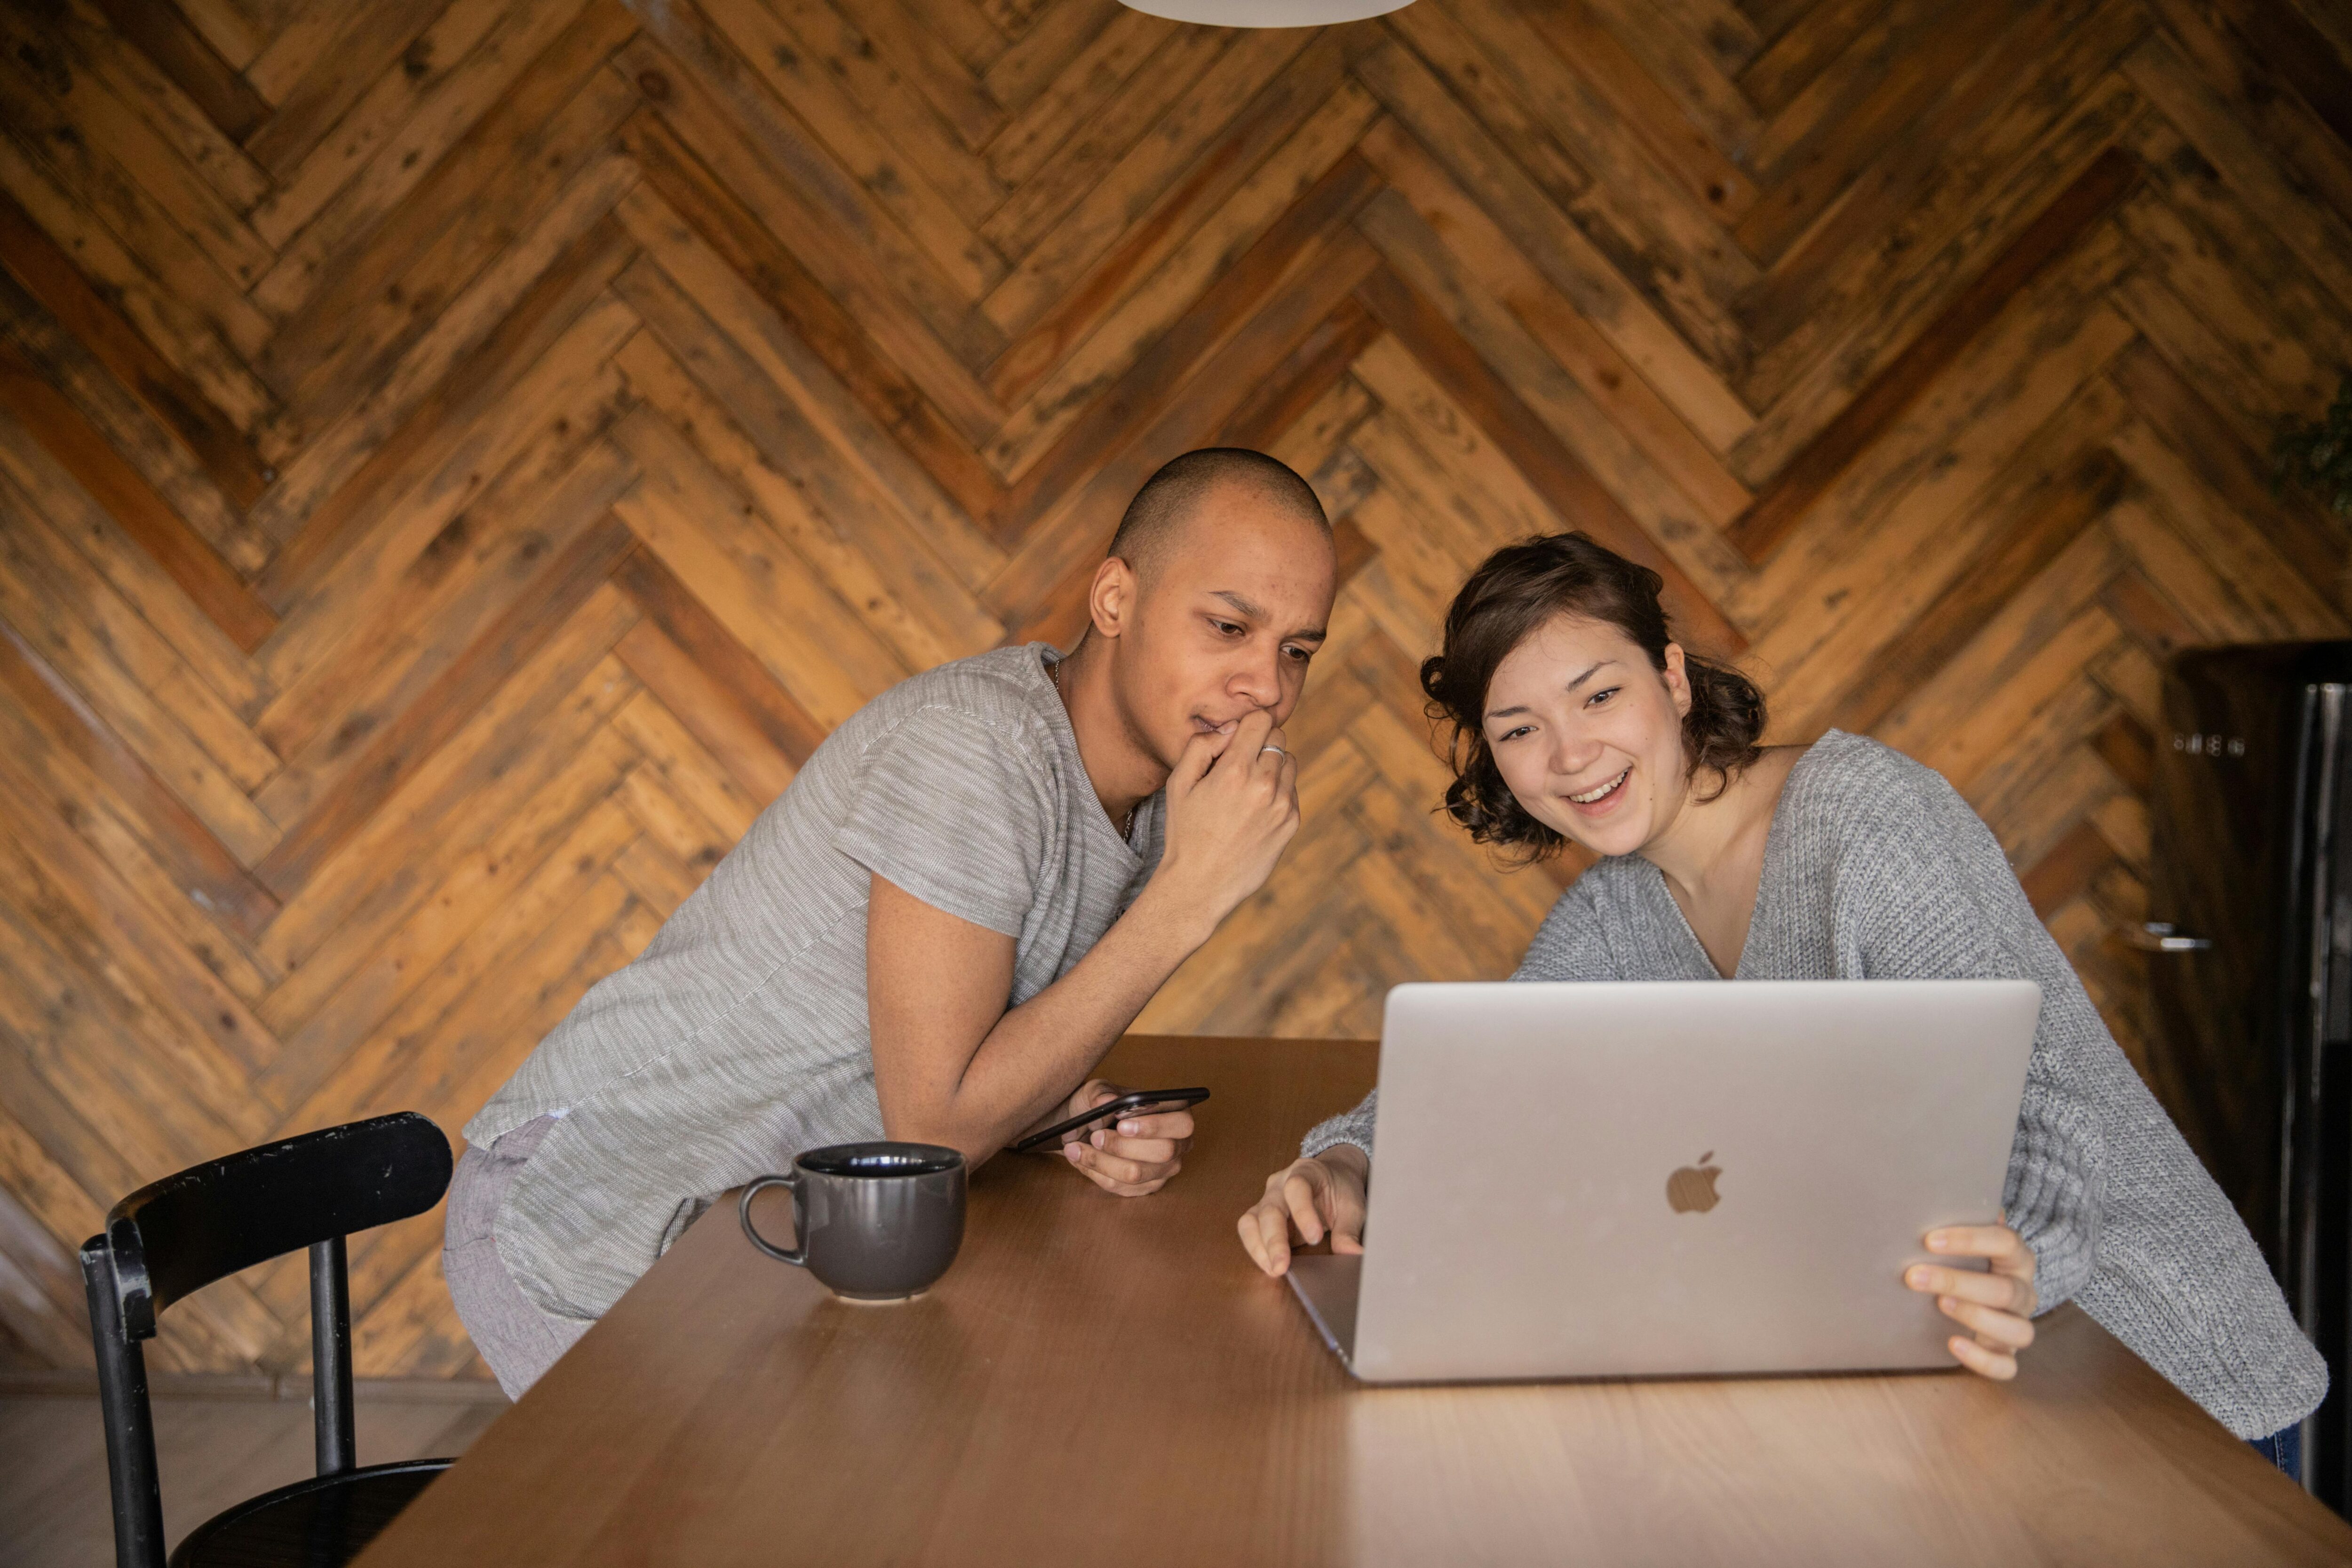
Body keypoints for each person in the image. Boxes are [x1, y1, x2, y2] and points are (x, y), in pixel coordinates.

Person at [1236, 531, 2326, 1466]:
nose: (1570, 755)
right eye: (1518, 728)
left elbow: (2046, 1106)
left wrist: (2017, 1247)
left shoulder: (1868, 821)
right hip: (1968, 1385)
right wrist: (1350, 1162)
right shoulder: (1617, 912)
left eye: (1599, 694)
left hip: (2164, 1372)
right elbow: (1487, 1088)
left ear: (1670, 680)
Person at [448, 448, 1337, 1396]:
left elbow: (946, 1052)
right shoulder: (973, 749)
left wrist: (1061, 1113)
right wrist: (1186, 901)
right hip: (588, 1216)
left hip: (766, 1234)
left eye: (1296, 650)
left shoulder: (1158, 790)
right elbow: (938, 1127)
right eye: (1229, 625)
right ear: (1114, 600)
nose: (1269, 687)